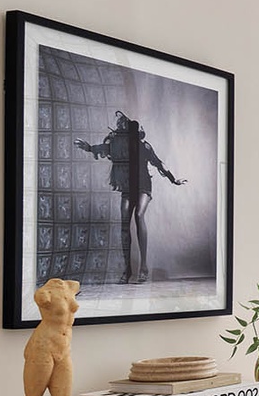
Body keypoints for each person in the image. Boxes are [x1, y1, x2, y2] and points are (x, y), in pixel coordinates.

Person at [75, 110, 186, 284]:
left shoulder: (144, 146)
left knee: (139, 215)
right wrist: (89, 148)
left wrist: (174, 180)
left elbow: (159, 163)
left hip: (143, 186)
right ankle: (127, 270)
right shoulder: (118, 146)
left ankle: (143, 267)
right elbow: (102, 148)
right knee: (124, 224)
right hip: (127, 187)